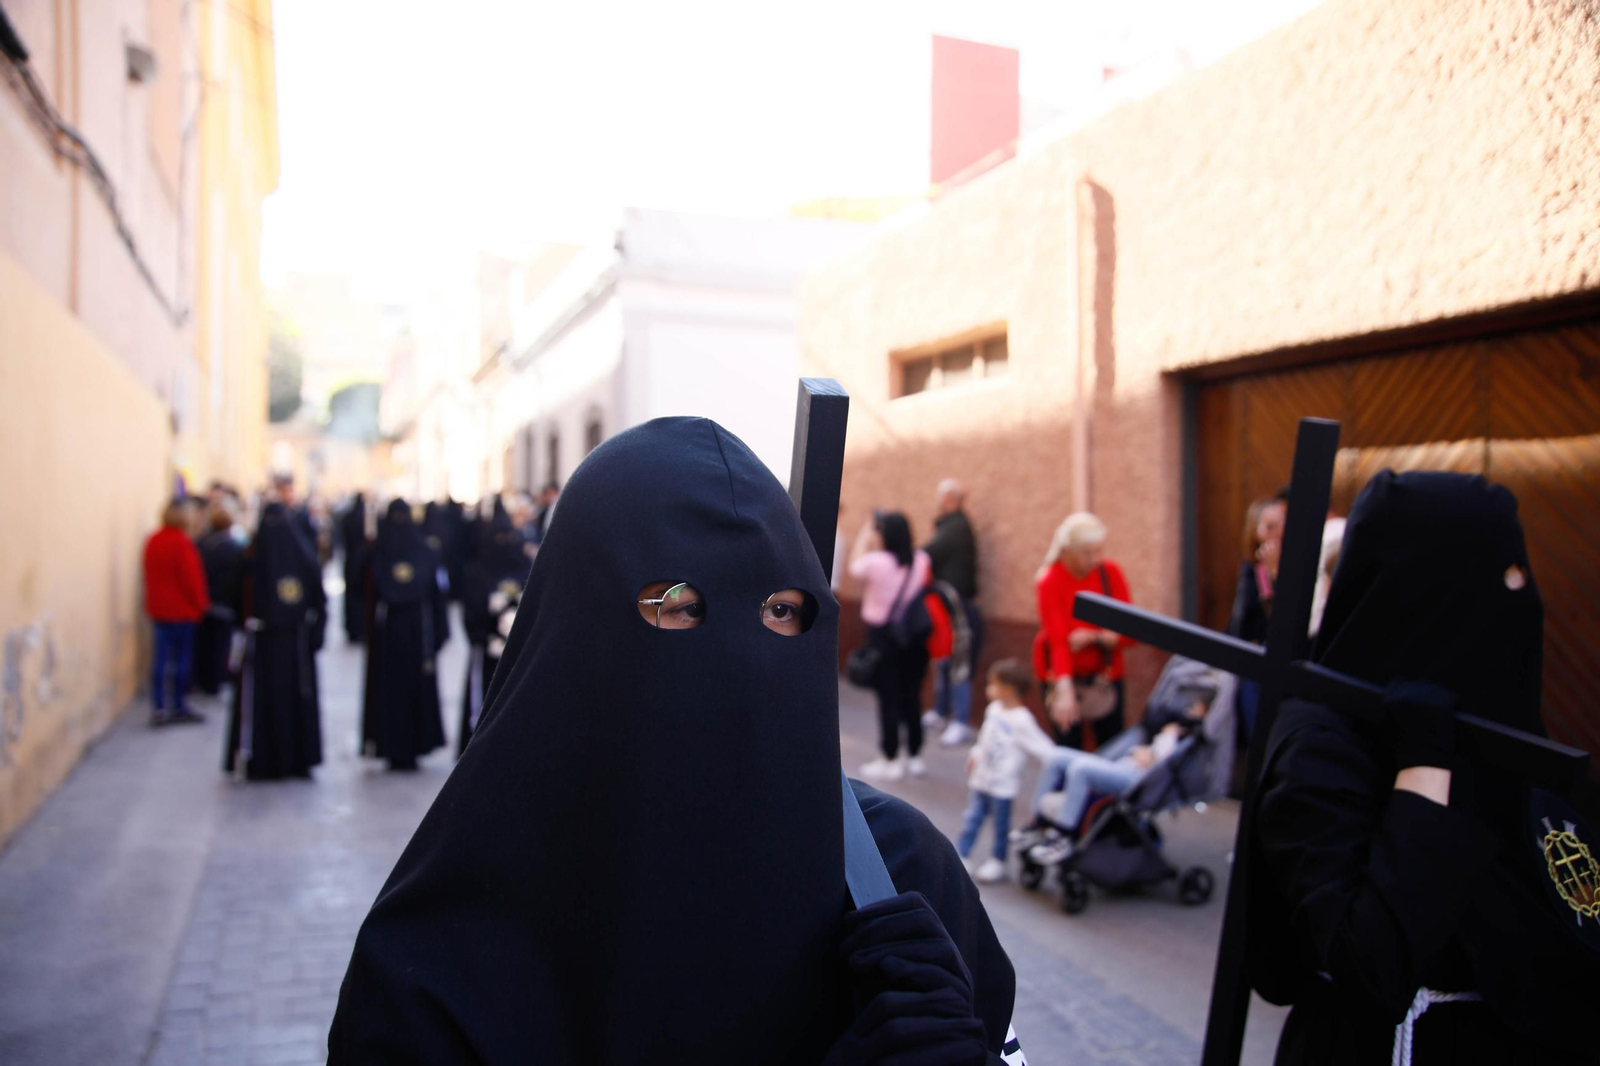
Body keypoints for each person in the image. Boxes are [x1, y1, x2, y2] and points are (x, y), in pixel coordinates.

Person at [327, 417, 1024, 1064]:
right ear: (575, 626)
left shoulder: (896, 873)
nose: (743, 653)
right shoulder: (447, 948)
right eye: (678, 607)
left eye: (781, 610)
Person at [1248, 471, 1598, 1064]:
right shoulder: (1319, 744)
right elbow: (1368, 959)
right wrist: (1425, 770)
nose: (1520, 596)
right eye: (1499, 581)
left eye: (1521, 575)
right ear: (1426, 595)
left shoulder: (1501, 722)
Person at [1022, 694, 1210, 866]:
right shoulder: (1165, 726)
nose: (1187, 711)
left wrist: (1164, 740)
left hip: (1138, 779)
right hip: (1123, 764)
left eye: (1194, 709)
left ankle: (1064, 836)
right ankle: (1038, 822)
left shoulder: (1184, 739)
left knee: (1080, 769)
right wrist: (1143, 748)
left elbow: (1163, 764)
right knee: (1055, 756)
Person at [223, 502, 326, 780]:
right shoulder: (256, 560)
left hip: (288, 643)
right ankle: (272, 759)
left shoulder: (257, 558)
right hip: (269, 643)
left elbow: (318, 599)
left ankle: (283, 759)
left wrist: (313, 636)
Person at [1033, 512, 1132, 752]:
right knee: (1068, 747)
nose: (1095, 559)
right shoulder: (1050, 580)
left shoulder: (1110, 573)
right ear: (1067, 550)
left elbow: (1130, 632)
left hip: (1104, 677)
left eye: (1099, 550)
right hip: (1062, 676)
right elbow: (1058, 641)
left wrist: (1093, 637)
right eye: (1088, 552)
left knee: (1111, 747)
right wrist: (1063, 690)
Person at [360, 500, 448, 771]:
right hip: (412, 629)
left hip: (393, 629)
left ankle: (394, 745)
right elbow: (437, 594)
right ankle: (409, 744)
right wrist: (439, 632)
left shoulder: (380, 550)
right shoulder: (423, 550)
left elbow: (359, 587)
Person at [849, 510, 933, 782]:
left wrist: (865, 533)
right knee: (911, 696)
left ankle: (890, 757)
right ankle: (915, 755)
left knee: (888, 697)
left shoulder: (876, 562)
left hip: (883, 636)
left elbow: (854, 567)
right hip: (913, 636)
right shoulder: (921, 560)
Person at [957, 660, 1057, 883]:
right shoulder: (993, 710)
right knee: (972, 819)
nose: (988, 689)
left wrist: (1056, 764)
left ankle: (998, 860)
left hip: (1003, 785)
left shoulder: (1022, 720)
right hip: (981, 780)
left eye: (993, 684)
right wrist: (975, 756)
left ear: (1008, 690)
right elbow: (984, 740)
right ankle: (962, 854)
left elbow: (1042, 747)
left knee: (1000, 825)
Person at [457, 498, 528, 755]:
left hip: (516, 655)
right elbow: (471, 609)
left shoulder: (524, 568)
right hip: (486, 651)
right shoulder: (478, 571)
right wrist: (480, 633)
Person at [922, 479, 984, 747]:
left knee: (959, 659)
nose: (939, 502)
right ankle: (940, 711)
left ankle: (960, 720)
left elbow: (928, 553)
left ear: (950, 499)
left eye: (941, 497)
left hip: (957, 605)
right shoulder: (949, 525)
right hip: (944, 605)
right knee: (943, 657)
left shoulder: (956, 527)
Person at [142, 499, 211, 725]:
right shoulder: (181, 543)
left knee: (160, 661)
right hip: (181, 611)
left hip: (159, 609)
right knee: (181, 660)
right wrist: (201, 605)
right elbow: (192, 580)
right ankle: (178, 705)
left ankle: (160, 707)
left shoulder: (154, 540)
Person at [1227, 491, 1287, 744]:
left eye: (1283, 526)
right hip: (1258, 672)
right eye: (1270, 527)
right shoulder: (1253, 573)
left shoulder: (1305, 568)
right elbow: (1241, 627)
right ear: (1256, 534)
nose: (1279, 534)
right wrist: (1271, 575)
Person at [193, 501, 245, 696]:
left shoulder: (201, 543)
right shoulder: (232, 547)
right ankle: (214, 682)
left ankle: (203, 680)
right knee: (220, 646)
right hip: (223, 602)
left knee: (205, 644)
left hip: (205, 601)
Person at [338, 492, 370, 643]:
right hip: (362, 562)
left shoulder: (348, 517)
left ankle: (353, 629)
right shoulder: (365, 517)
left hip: (351, 562)